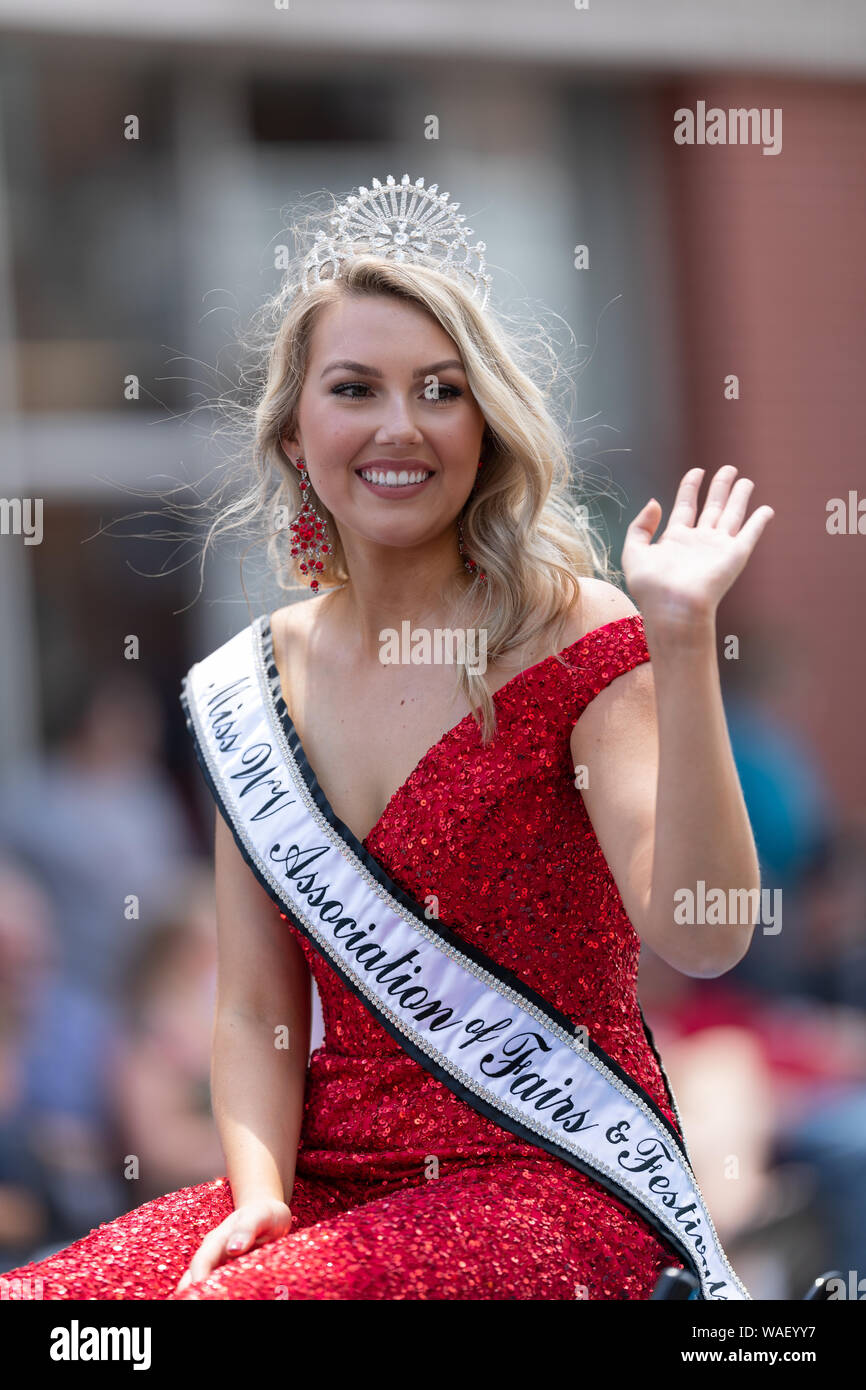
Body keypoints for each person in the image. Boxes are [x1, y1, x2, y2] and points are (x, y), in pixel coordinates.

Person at [2, 173, 773, 1301]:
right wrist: (258, 1188)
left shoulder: (577, 633)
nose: (397, 426)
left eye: (440, 390)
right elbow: (256, 1004)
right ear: (294, 430)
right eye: (354, 388)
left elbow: (701, 935)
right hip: (326, 1182)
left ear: (485, 423)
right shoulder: (249, 685)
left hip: (553, 1179)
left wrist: (684, 640)